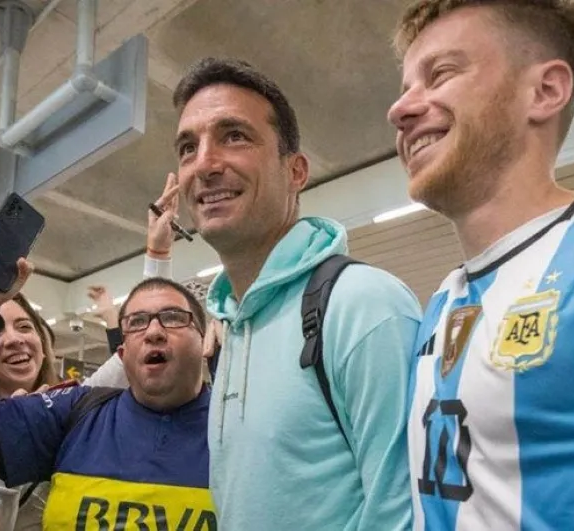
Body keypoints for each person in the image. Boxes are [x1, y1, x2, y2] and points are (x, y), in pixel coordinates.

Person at [389, 1, 574, 529]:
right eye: (406, 87)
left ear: (545, 91)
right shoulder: (443, 301)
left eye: (441, 74)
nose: (400, 110)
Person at [172, 58, 421, 530]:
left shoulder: (363, 305)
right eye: (188, 147)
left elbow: (403, 513)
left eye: (234, 136)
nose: (204, 164)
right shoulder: (232, 329)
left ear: (297, 171)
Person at [0, 204, 215, 530]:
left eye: (174, 318)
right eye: (136, 322)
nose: (153, 331)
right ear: (124, 347)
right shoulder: (74, 414)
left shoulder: (238, 432)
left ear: (203, 338)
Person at [0, 290, 128, 531]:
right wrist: (15, 431)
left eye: (24, 327)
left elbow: (129, 357)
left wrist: (112, 315)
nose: (14, 339)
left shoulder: (73, 405)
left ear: (42, 343)